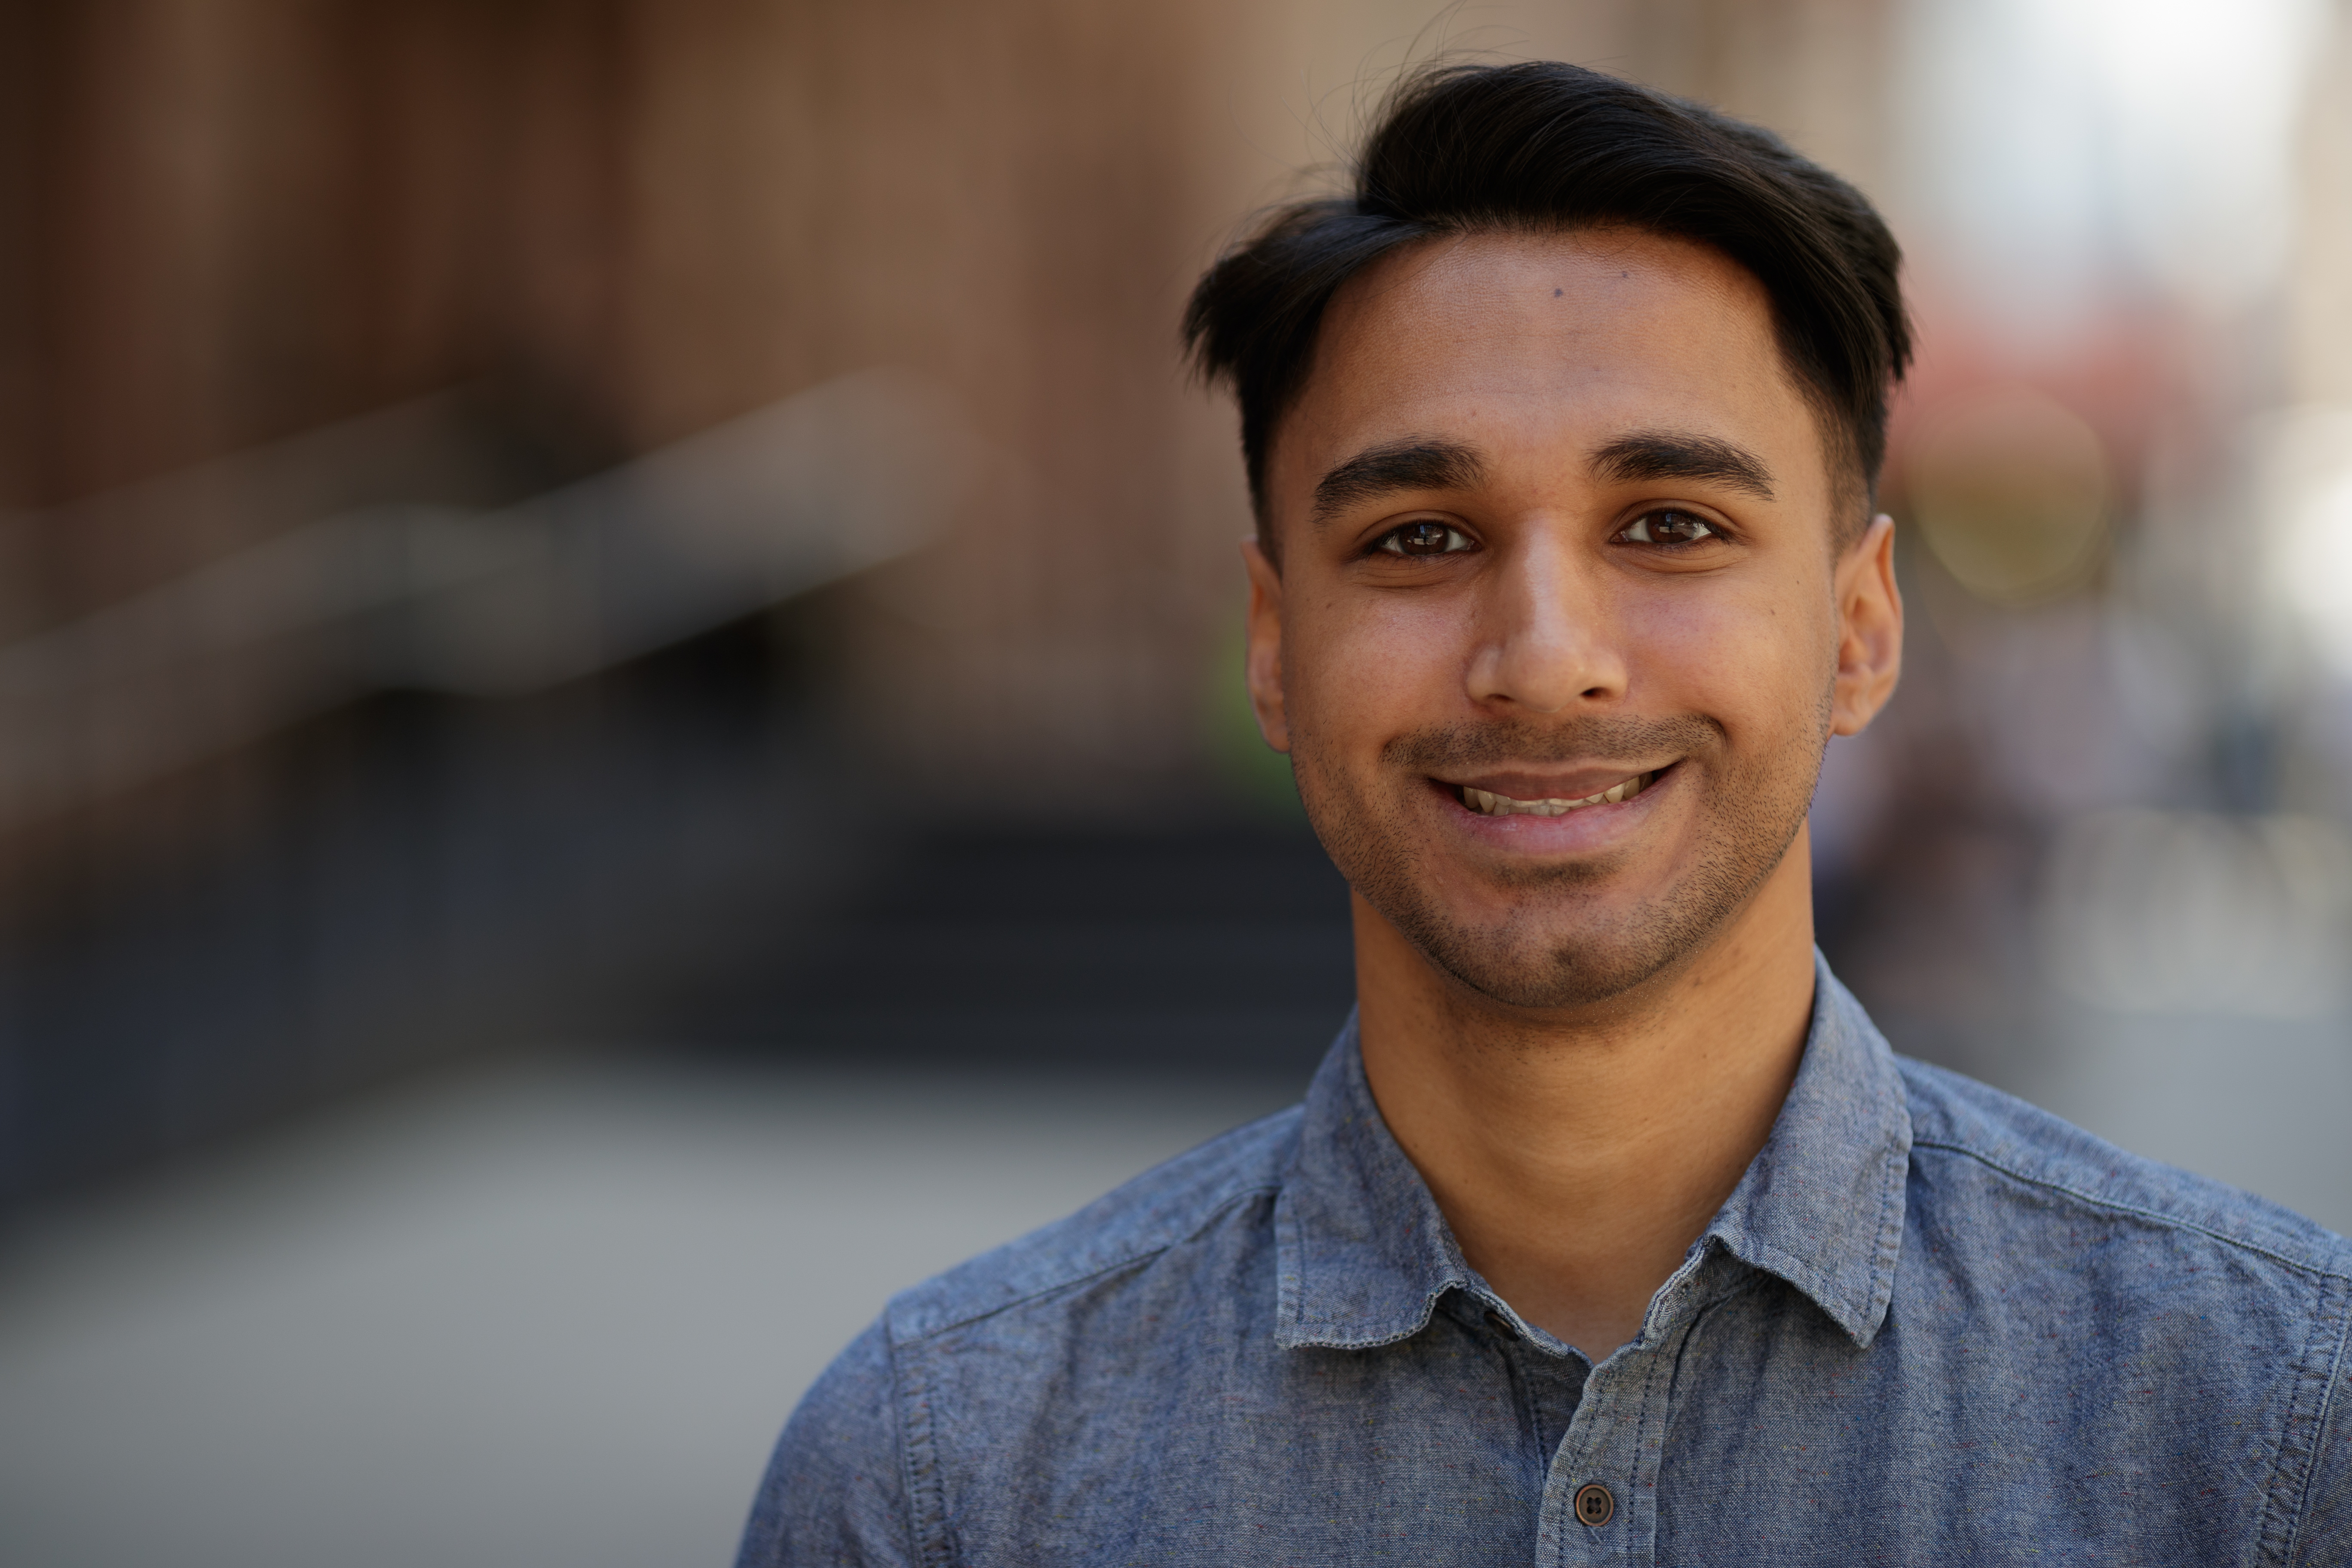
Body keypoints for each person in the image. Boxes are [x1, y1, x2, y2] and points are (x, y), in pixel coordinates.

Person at [736, 61, 2350, 1564]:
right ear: (1276, 646)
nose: (1545, 661)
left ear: (1858, 633)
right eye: (1421, 540)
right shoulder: (946, 1478)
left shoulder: (2268, 1423)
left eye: (1668, 522)